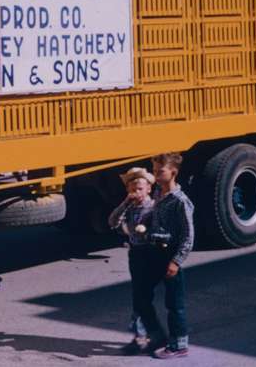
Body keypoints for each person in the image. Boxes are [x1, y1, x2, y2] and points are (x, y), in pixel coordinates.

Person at [131, 152, 195, 360]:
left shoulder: (180, 201)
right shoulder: (158, 194)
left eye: (161, 171)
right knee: (141, 297)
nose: (156, 175)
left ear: (173, 172)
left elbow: (188, 235)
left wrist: (176, 261)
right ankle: (156, 335)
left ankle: (179, 346)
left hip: (170, 256)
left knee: (174, 304)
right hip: (153, 253)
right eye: (155, 171)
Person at [108, 167, 157, 355]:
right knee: (139, 297)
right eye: (132, 189)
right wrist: (125, 203)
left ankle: (148, 335)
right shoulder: (129, 208)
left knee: (144, 297)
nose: (136, 192)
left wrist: (148, 231)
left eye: (139, 189)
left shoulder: (153, 207)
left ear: (148, 189)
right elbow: (112, 222)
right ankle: (141, 337)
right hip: (135, 254)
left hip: (150, 254)